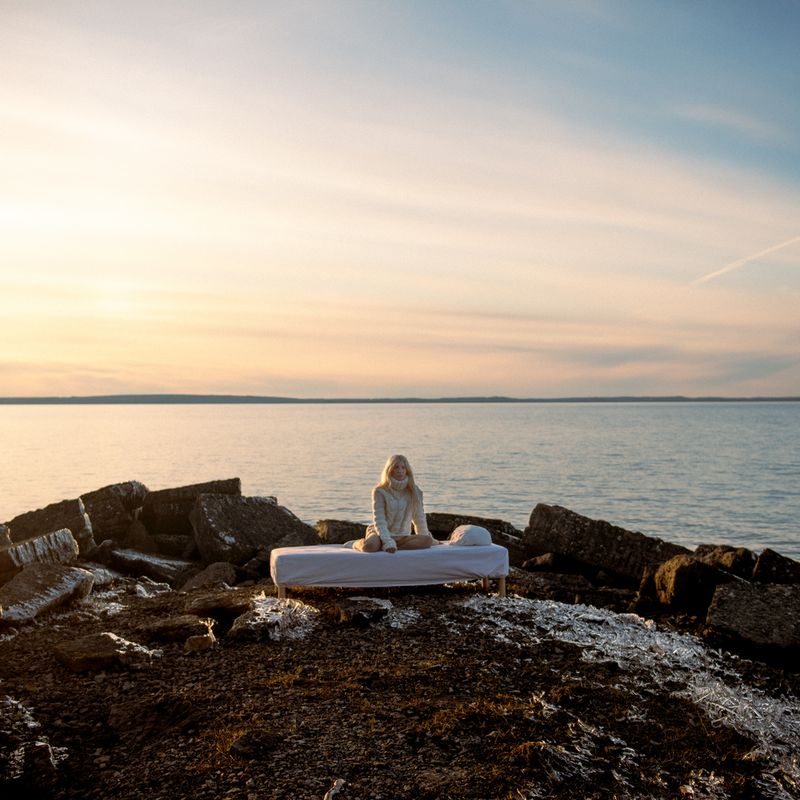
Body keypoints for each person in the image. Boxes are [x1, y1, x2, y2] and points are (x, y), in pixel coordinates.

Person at [352, 454, 436, 553]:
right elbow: (380, 521)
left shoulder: (414, 491)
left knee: (427, 541)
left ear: (407, 470)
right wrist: (387, 541)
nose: (400, 471)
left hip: (402, 537)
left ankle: (391, 547)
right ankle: (355, 544)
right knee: (369, 547)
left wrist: (425, 537)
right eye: (396, 467)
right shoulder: (380, 491)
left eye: (403, 468)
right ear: (389, 470)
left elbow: (419, 519)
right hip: (380, 533)